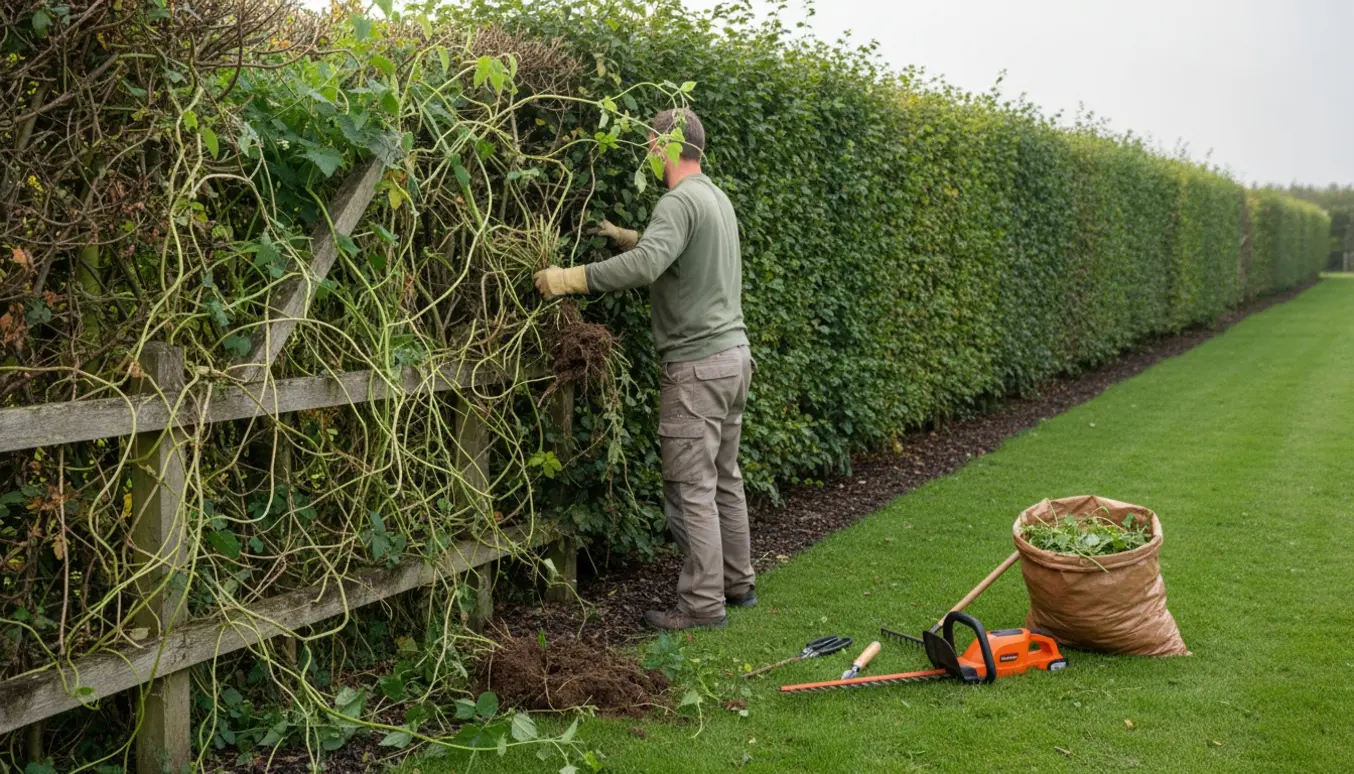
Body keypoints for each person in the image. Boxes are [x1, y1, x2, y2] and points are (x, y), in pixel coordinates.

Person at [533, 108, 755, 631]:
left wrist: (568, 278)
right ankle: (736, 582)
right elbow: (679, 253)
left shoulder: (677, 202)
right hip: (733, 359)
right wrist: (633, 236)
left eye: (653, 143)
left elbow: (650, 265)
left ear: (668, 144)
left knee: (691, 487)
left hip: (697, 367)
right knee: (725, 477)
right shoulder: (714, 198)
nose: (648, 152)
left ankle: (702, 606)